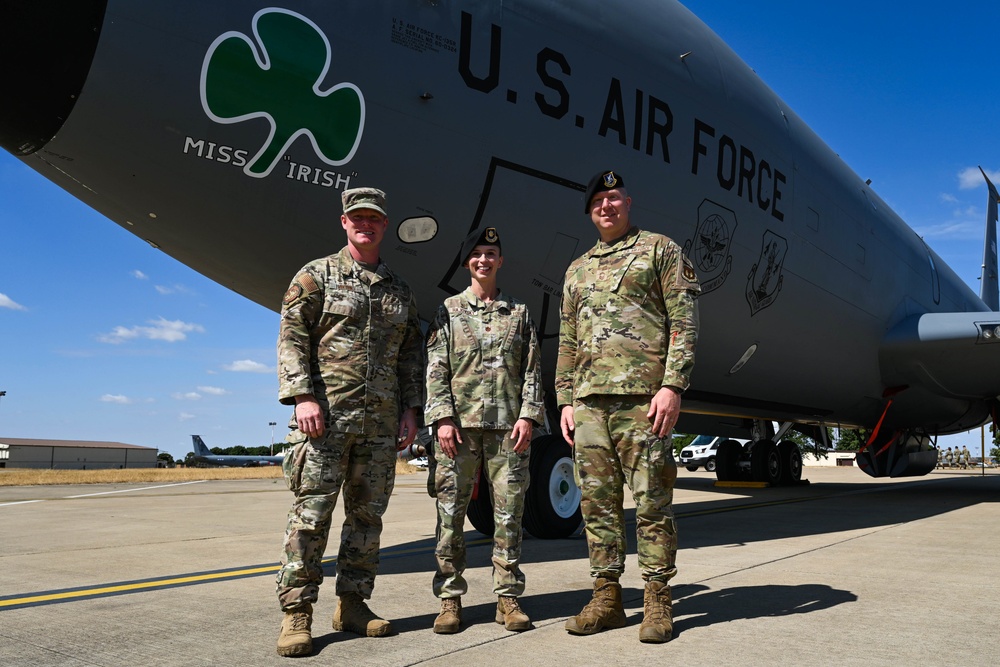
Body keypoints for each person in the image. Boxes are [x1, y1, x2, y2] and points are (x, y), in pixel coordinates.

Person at [274, 187, 424, 657]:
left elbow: (410, 357)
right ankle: (297, 613)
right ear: (344, 222)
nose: (366, 224)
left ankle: (353, 604)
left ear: (385, 224)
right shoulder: (315, 276)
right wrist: (302, 395)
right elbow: (292, 335)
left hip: (379, 427)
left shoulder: (400, 290)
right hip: (324, 422)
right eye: (357, 217)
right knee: (310, 518)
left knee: (366, 520)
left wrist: (411, 410)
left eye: (375, 218)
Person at [556, 170, 700, 644]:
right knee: (597, 505)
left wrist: (673, 386)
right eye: (598, 200)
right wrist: (565, 399)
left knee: (652, 503)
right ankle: (607, 598)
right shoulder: (577, 268)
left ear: (628, 202)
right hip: (590, 404)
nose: (607, 206)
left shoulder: (659, 249)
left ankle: (657, 601)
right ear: (589, 210)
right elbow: (569, 340)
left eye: (614, 198)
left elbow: (683, 320)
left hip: (644, 400)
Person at [424, 227, 544, 634]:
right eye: (476, 254)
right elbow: (436, 367)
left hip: (508, 430)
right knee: (450, 516)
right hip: (457, 431)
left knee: (509, 516)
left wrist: (528, 416)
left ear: (500, 261)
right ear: (467, 262)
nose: (483, 260)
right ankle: (450, 600)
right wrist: (441, 417)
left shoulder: (520, 312)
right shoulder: (448, 310)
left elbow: (532, 371)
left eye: (491, 253)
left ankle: (508, 598)